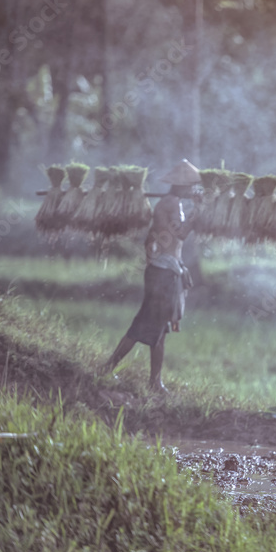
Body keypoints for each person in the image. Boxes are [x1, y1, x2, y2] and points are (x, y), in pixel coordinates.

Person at [102, 159, 201, 391]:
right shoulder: (173, 204)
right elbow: (181, 234)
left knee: (160, 327)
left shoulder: (166, 203)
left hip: (163, 270)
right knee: (144, 324)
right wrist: (198, 212)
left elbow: (152, 236)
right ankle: (108, 367)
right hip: (164, 274)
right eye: (192, 186)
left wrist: (152, 258)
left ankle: (155, 381)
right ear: (182, 186)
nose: (194, 190)